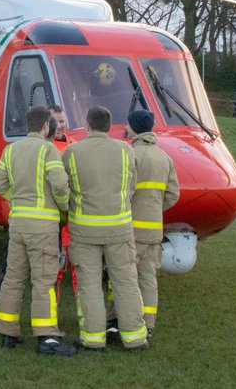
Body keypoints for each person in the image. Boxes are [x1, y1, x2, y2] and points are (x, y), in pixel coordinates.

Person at [0, 105, 75, 355]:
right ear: (45, 126)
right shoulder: (48, 149)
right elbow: (60, 185)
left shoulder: (11, 150)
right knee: (44, 281)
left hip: (17, 224)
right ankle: (47, 337)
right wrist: (63, 206)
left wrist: (16, 199)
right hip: (43, 226)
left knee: (13, 278)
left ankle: (8, 331)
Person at [64, 106, 147, 352]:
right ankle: (134, 338)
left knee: (89, 284)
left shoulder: (71, 151)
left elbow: (64, 188)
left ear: (87, 125)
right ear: (110, 127)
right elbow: (132, 186)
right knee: (126, 282)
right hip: (119, 228)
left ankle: (93, 338)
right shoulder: (125, 150)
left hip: (84, 230)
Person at [127, 109, 179, 336]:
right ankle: (148, 324)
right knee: (148, 278)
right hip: (154, 230)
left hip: (130, 229)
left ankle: (124, 320)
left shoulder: (130, 155)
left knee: (124, 277)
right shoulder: (164, 158)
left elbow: (123, 191)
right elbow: (173, 194)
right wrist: (155, 208)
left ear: (134, 128)